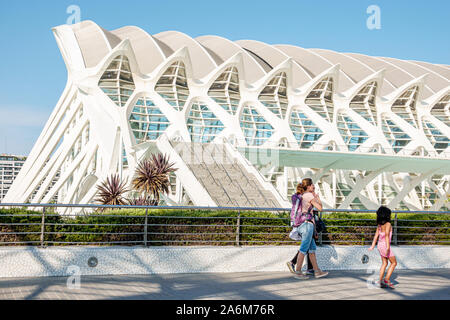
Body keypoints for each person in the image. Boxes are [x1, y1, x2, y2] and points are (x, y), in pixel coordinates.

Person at [291, 178, 329, 280]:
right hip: (307, 225)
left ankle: (317, 271)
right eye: (312, 185)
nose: (314, 186)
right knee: (303, 249)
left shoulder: (303, 195)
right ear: (308, 186)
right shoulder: (309, 195)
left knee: (312, 249)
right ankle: (298, 272)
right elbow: (320, 208)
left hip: (304, 224)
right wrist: (318, 198)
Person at [369, 206, 398, 289]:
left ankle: (380, 281)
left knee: (384, 263)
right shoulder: (388, 224)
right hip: (385, 246)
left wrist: (372, 246)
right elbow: (386, 235)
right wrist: (388, 248)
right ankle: (386, 279)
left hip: (380, 245)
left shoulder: (379, 225)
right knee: (394, 263)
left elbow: (375, 236)